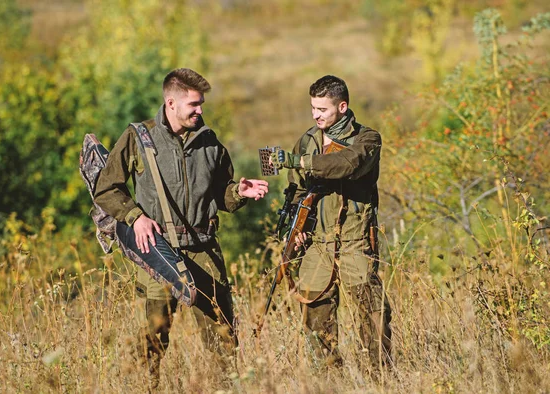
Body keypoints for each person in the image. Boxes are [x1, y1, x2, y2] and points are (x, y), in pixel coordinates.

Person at [93, 68, 269, 388]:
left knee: (223, 336)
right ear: (171, 103)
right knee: (152, 336)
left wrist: (239, 193)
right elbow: (106, 190)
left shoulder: (210, 143)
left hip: (203, 249)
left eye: (201, 104)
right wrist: (135, 216)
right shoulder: (138, 138)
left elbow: (221, 197)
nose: (200, 110)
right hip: (157, 251)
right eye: (194, 105)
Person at [271, 75, 392, 370]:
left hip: (355, 243)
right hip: (318, 245)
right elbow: (297, 189)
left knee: (374, 316)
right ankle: (328, 382)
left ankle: (382, 379)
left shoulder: (367, 138)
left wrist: (299, 161)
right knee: (316, 320)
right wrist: (296, 230)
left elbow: (346, 165)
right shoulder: (308, 139)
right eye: (313, 108)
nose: (315, 115)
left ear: (342, 106)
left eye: (322, 109)